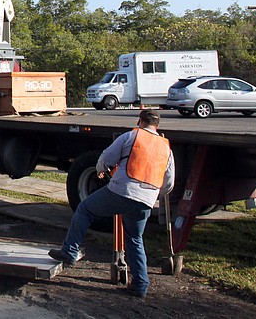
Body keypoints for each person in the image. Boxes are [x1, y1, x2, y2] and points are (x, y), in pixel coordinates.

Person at [48, 109, 174, 299]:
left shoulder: (131, 136)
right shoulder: (166, 148)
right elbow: (169, 182)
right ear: (157, 125)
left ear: (140, 121)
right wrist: (152, 194)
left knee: (84, 210)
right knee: (135, 238)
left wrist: (102, 171)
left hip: (121, 191)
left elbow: (107, 158)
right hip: (145, 200)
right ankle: (140, 286)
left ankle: (69, 251)